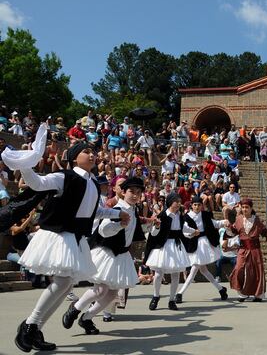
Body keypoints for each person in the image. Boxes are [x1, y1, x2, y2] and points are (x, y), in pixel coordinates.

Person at [4, 127, 128, 353]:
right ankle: (29, 325)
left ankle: (36, 328)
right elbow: (38, 184)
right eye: (85, 151)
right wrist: (25, 163)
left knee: (66, 284)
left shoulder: (91, 183)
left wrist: (117, 214)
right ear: (73, 158)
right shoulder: (66, 177)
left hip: (76, 238)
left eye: (92, 151)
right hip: (60, 236)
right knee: (62, 283)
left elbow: (95, 211)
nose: (91, 154)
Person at [62, 177, 147, 335]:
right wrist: (119, 225)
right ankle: (75, 308)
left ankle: (87, 318)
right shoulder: (118, 209)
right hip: (107, 253)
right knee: (101, 289)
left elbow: (133, 231)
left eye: (138, 192)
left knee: (113, 293)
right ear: (123, 192)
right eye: (131, 192)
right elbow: (103, 230)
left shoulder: (134, 209)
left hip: (121, 254)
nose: (135, 195)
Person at [144, 193, 193, 311]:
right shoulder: (162, 216)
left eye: (180, 201)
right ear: (171, 202)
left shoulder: (180, 216)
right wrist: (156, 226)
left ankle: (171, 300)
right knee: (159, 273)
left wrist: (193, 231)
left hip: (176, 246)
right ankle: (155, 296)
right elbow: (153, 234)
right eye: (177, 201)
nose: (179, 204)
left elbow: (183, 228)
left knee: (176, 274)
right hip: (163, 246)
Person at [176, 196, 229, 303]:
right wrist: (191, 233)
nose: (197, 207)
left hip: (205, 244)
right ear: (191, 205)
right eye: (195, 204)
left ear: (201, 205)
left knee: (195, 268)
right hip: (194, 243)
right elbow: (185, 231)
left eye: (199, 205)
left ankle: (180, 293)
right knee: (203, 270)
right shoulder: (187, 217)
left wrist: (224, 221)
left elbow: (214, 223)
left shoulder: (205, 215)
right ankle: (221, 289)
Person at [226, 198, 267, 301]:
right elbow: (234, 232)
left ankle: (258, 294)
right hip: (242, 249)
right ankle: (241, 292)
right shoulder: (238, 219)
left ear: (251, 208)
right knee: (239, 268)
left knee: (256, 272)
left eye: (246, 207)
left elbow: (265, 233)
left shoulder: (257, 220)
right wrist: (229, 227)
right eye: (243, 207)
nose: (244, 209)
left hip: (255, 249)